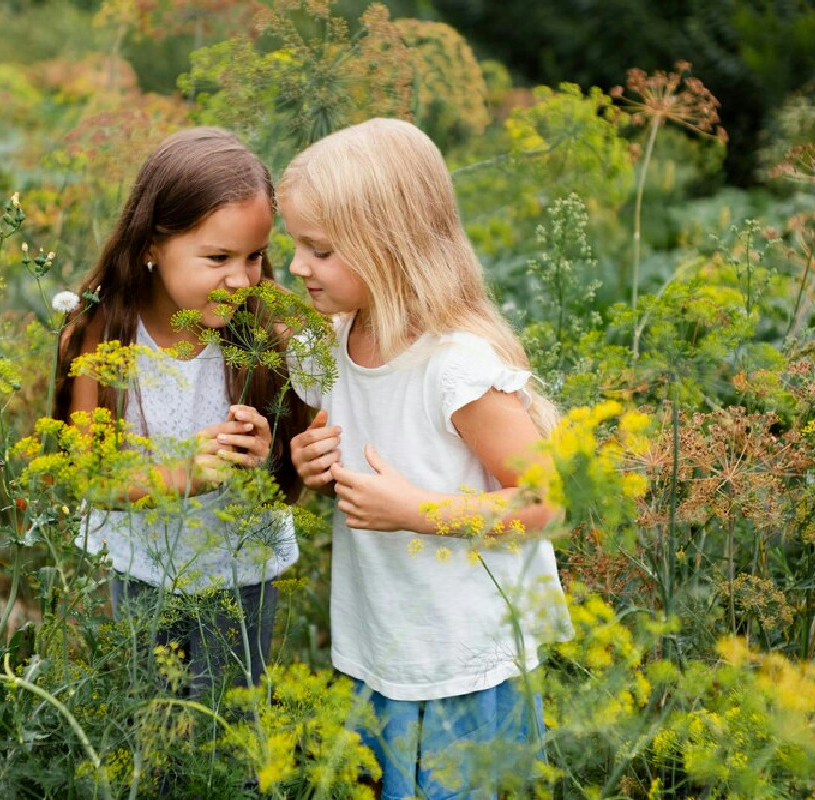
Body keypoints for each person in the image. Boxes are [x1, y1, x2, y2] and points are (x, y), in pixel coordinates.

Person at [283, 118, 573, 799]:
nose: (297, 266)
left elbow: (547, 503)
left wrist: (416, 511)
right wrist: (311, 465)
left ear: (388, 247)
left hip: (463, 655)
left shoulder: (455, 366)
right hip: (385, 639)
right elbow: (353, 464)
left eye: (320, 250)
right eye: (294, 245)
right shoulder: (331, 345)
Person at [53, 127, 309, 698]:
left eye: (255, 256)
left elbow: (298, 468)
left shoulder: (267, 331)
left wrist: (266, 452)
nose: (241, 279)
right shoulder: (103, 333)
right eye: (218, 258)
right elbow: (88, 477)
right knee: (152, 719)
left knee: (229, 718)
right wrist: (185, 475)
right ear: (151, 244)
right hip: (141, 569)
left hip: (242, 570)